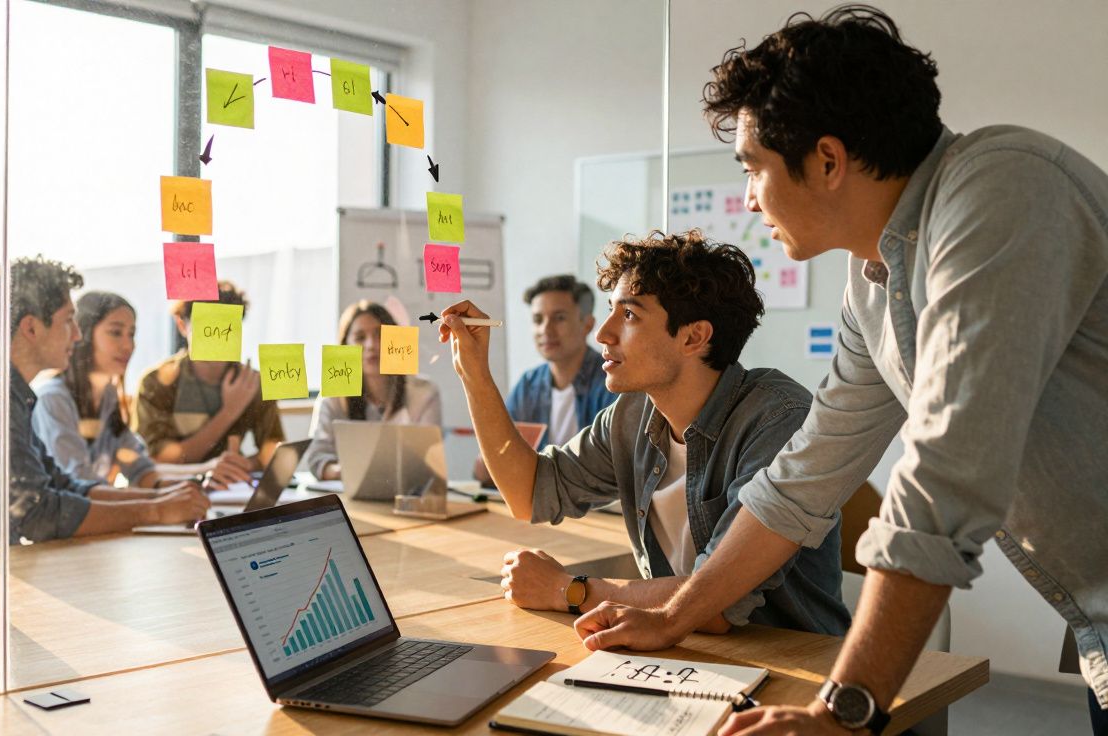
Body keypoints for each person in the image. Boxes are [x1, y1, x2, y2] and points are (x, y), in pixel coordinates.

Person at [572, 7, 1108, 735]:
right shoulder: (876, 273)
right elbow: (807, 475)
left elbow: (947, 474)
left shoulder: (1001, 193)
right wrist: (677, 611)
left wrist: (843, 710)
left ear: (826, 161)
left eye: (754, 169)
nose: (750, 197)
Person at [439, 231, 848, 636]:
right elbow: (528, 492)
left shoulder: (778, 420)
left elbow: (717, 605)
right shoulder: (633, 414)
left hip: (788, 658)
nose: (603, 333)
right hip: (680, 648)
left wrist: (570, 591)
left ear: (694, 337)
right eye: (610, 310)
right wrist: (475, 375)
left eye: (629, 315)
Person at [0, 257, 209, 561]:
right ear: (31, 328)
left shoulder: (7, 393)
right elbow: (37, 515)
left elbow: (63, 487)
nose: (77, 335)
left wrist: (160, 502)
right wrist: (156, 512)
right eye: (69, 321)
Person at [134, 280, 285, 486]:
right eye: (206, 327)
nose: (216, 336)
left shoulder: (252, 382)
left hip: (233, 491)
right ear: (182, 325)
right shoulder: (156, 382)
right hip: (173, 491)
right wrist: (229, 412)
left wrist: (246, 465)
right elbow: (156, 460)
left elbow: (276, 449)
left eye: (226, 327)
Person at [472, 275, 616, 484]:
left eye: (559, 318)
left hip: (596, 510)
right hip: (540, 506)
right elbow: (497, 459)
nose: (546, 330)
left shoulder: (612, 382)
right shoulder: (528, 386)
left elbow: (612, 470)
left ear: (587, 324)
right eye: (538, 320)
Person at [31, 291, 168, 489]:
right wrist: (157, 505)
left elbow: (139, 467)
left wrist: (189, 490)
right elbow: (78, 484)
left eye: (132, 334)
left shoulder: (108, 395)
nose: (128, 345)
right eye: (116, 332)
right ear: (84, 335)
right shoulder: (52, 399)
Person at [303, 301, 442, 481]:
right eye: (360, 338)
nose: (371, 345)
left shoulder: (424, 393)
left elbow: (428, 460)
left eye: (380, 335)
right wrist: (348, 472)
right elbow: (317, 458)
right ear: (345, 346)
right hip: (350, 495)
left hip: (407, 495)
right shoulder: (332, 396)